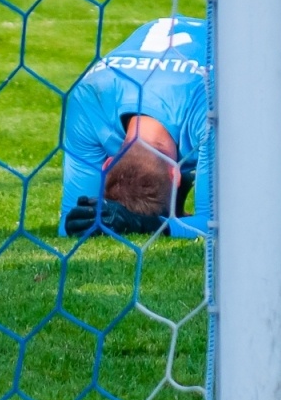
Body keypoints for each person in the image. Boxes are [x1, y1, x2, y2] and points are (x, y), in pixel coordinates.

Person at [61, 16, 208, 238]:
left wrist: (143, 224)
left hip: (226, 46)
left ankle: (172, 210)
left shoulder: (210, 108)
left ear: (107, 164)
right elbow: (72, 220)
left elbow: (215, 226)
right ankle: (172, 209)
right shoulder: (87, 97)